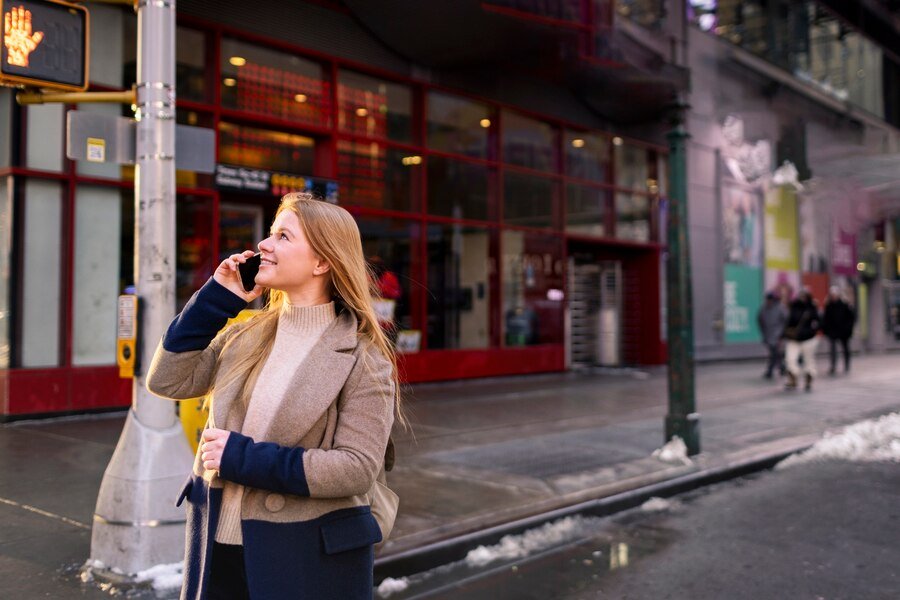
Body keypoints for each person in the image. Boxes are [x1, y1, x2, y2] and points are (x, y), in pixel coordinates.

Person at [146, 193, 403, 600]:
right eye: (270, 234)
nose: (264, 245)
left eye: (283, 236)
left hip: (301, 559)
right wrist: (216, 298)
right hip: (218, 547)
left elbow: (356, 468)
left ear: (321, 262)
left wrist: (243, 458)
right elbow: (167, 381)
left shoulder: (362, 357)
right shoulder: (246, 333)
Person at [782, 288, 821, 391]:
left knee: (809, 360)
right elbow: (789, 321)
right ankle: (793, 377)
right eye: (801, 295)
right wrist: (785, 333)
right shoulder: (794, 306)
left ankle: (809, 378)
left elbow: (819, 322)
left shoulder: (811, 308)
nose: (802, 297)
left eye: (804, 295)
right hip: (794, 338)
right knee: (790, 358)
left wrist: (812, 331)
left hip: (808, 338)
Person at [822, 285, 855, 375]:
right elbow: (825, 319)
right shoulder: (829, 306)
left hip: (843, 331)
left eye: (835, 295)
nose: (833, 296)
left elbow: (851, 318)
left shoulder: (845, 305)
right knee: (832, 348)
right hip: (833, 331)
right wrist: (826, 330)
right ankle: (833, 366)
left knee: (845, 348)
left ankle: (847, 365)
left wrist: (848, 329)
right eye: (832, 295)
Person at [757, 290, 787, 379]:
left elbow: (786, 320)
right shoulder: (764, 308)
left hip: (777, 334)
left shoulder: (780, 308)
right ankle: (782, 367)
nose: (768, 301)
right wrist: (763, 332)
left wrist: (782, 333)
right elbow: (760, 319)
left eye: (770, 299)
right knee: (775, 353)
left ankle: (770, 371)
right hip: (768, 334)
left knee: (774, 353)